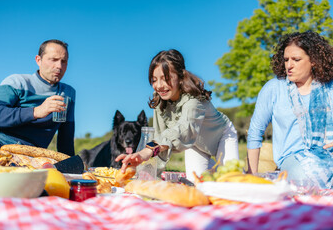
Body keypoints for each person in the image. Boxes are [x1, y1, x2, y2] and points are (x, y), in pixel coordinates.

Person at [116, 49, 239, 181]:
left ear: (180, 77)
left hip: (222, 136)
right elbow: (161, 135)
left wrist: (148, 150)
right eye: (154, 80)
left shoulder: (194, 102)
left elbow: (183, 130)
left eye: (165, 79)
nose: (159, 86)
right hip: (195, 143)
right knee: (197, 183)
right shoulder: (159, 99)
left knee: (232, 181)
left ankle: (223, 172)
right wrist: (151, 176)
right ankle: (214, 172)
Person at [247, 31, 333, 189]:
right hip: (293, 160)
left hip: (329, 155)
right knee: (305, 176)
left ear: (314, 61)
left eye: (296, 60)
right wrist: (251, 174)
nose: (289, 65)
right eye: (286, 60)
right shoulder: (274, 88)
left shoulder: (329, 87)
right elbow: (255, 132)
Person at [0, 39, 76, 163]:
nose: (59, 66)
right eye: (53, 60)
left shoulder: (68, 93)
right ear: (38, 60)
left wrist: (71, 166)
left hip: (33, 153)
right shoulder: (17, 82)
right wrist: (36, 111)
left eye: (63, 61)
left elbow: (66, 140)